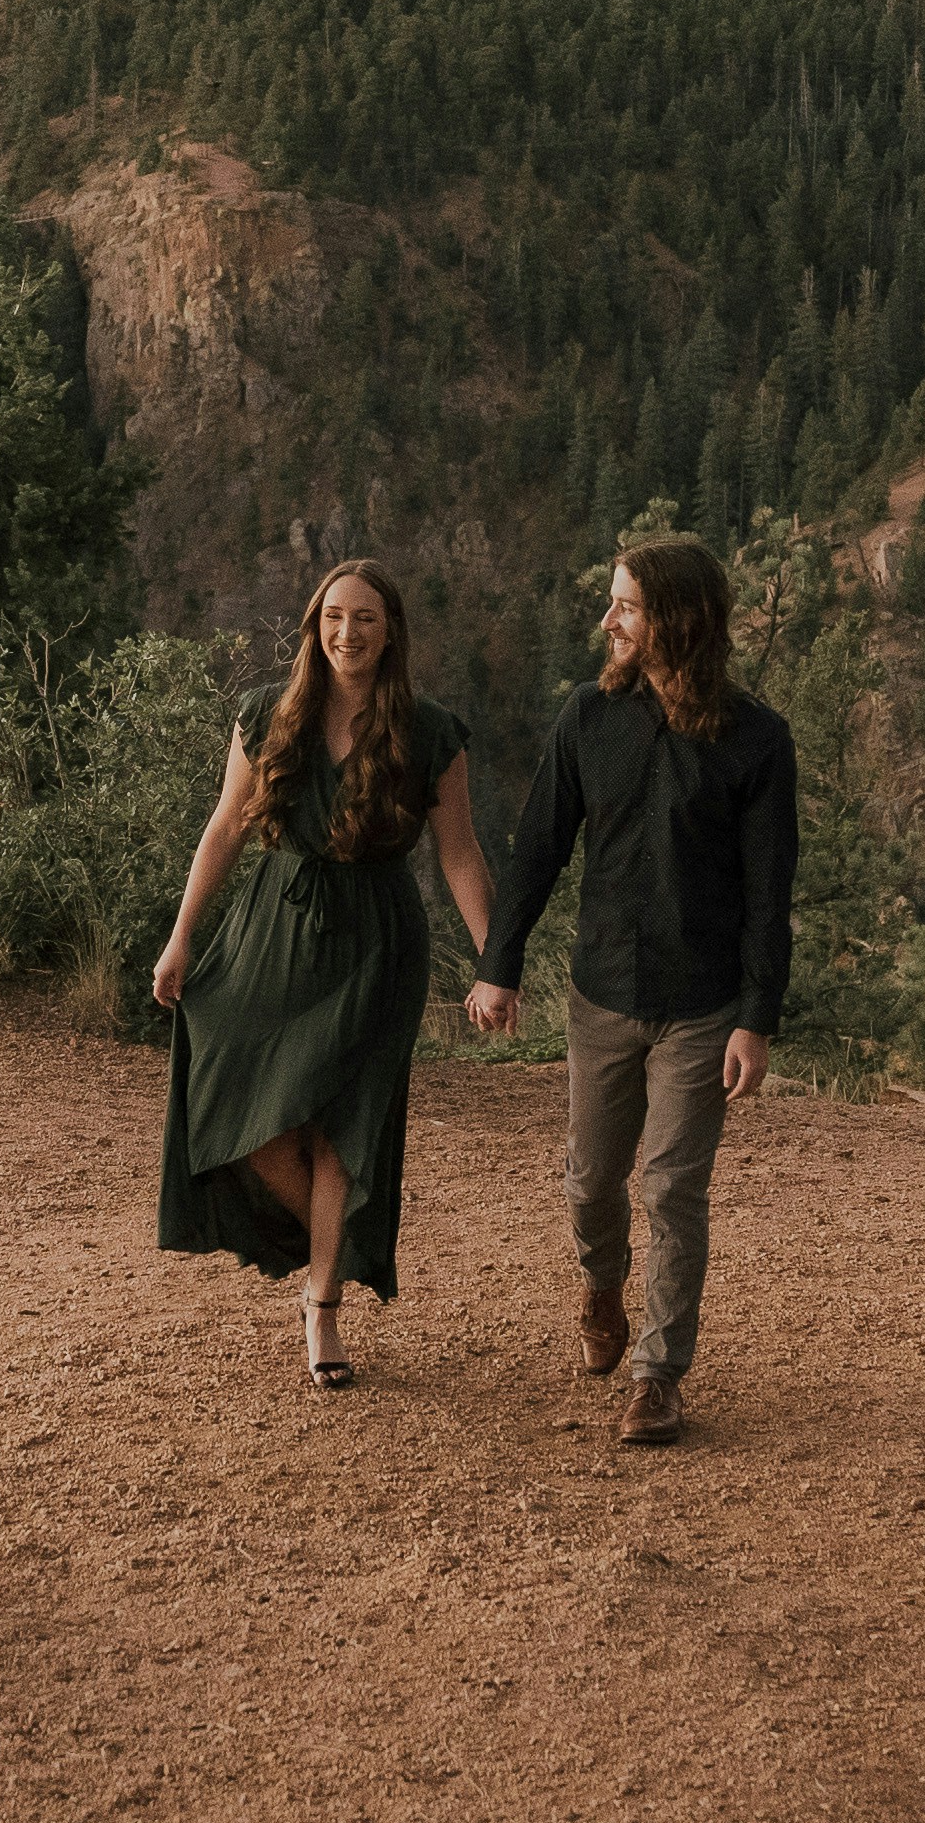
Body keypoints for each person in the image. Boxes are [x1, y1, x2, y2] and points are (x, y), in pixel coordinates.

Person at [466, 534, 798, 1448]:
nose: (607, 620)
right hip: (601, 992)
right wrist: (499, 963)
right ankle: (603, 1284)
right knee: (590, 1182)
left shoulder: (758, 742)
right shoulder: (586, 718)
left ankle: (658, 1376)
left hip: (704, 1006)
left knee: (673, 1186)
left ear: (678, 623)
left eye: (626, 607)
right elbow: (537, 849)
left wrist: (756, 1023)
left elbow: (771, 900)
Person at [152, 561, 498, 1390]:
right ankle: (336, 1243)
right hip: (274, 927)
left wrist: (497, 961)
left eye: (367, 619)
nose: (350, 632)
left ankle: (322, 1307)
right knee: (250, 1108)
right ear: (315, 625)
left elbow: (459, 856)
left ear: (391, 631)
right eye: (335, 617)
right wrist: (181, 936)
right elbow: (224, 831)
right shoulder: (268, 715)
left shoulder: (430, 730)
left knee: (346, 1126)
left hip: (379, 940)